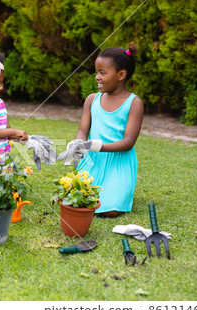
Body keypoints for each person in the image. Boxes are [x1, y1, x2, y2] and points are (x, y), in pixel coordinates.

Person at [58, 42, 144, 218]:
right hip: (93, 161)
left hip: (118, 163)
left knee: (109, 210)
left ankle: (118, 191)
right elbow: (83, 130)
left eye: (103, 73)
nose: (97, 77)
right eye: (96, 72)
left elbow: (128, 142)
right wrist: (78, 143)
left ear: (121, 75)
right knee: (75, 201)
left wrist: (96, 145)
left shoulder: (134, 103)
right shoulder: (92, 100)